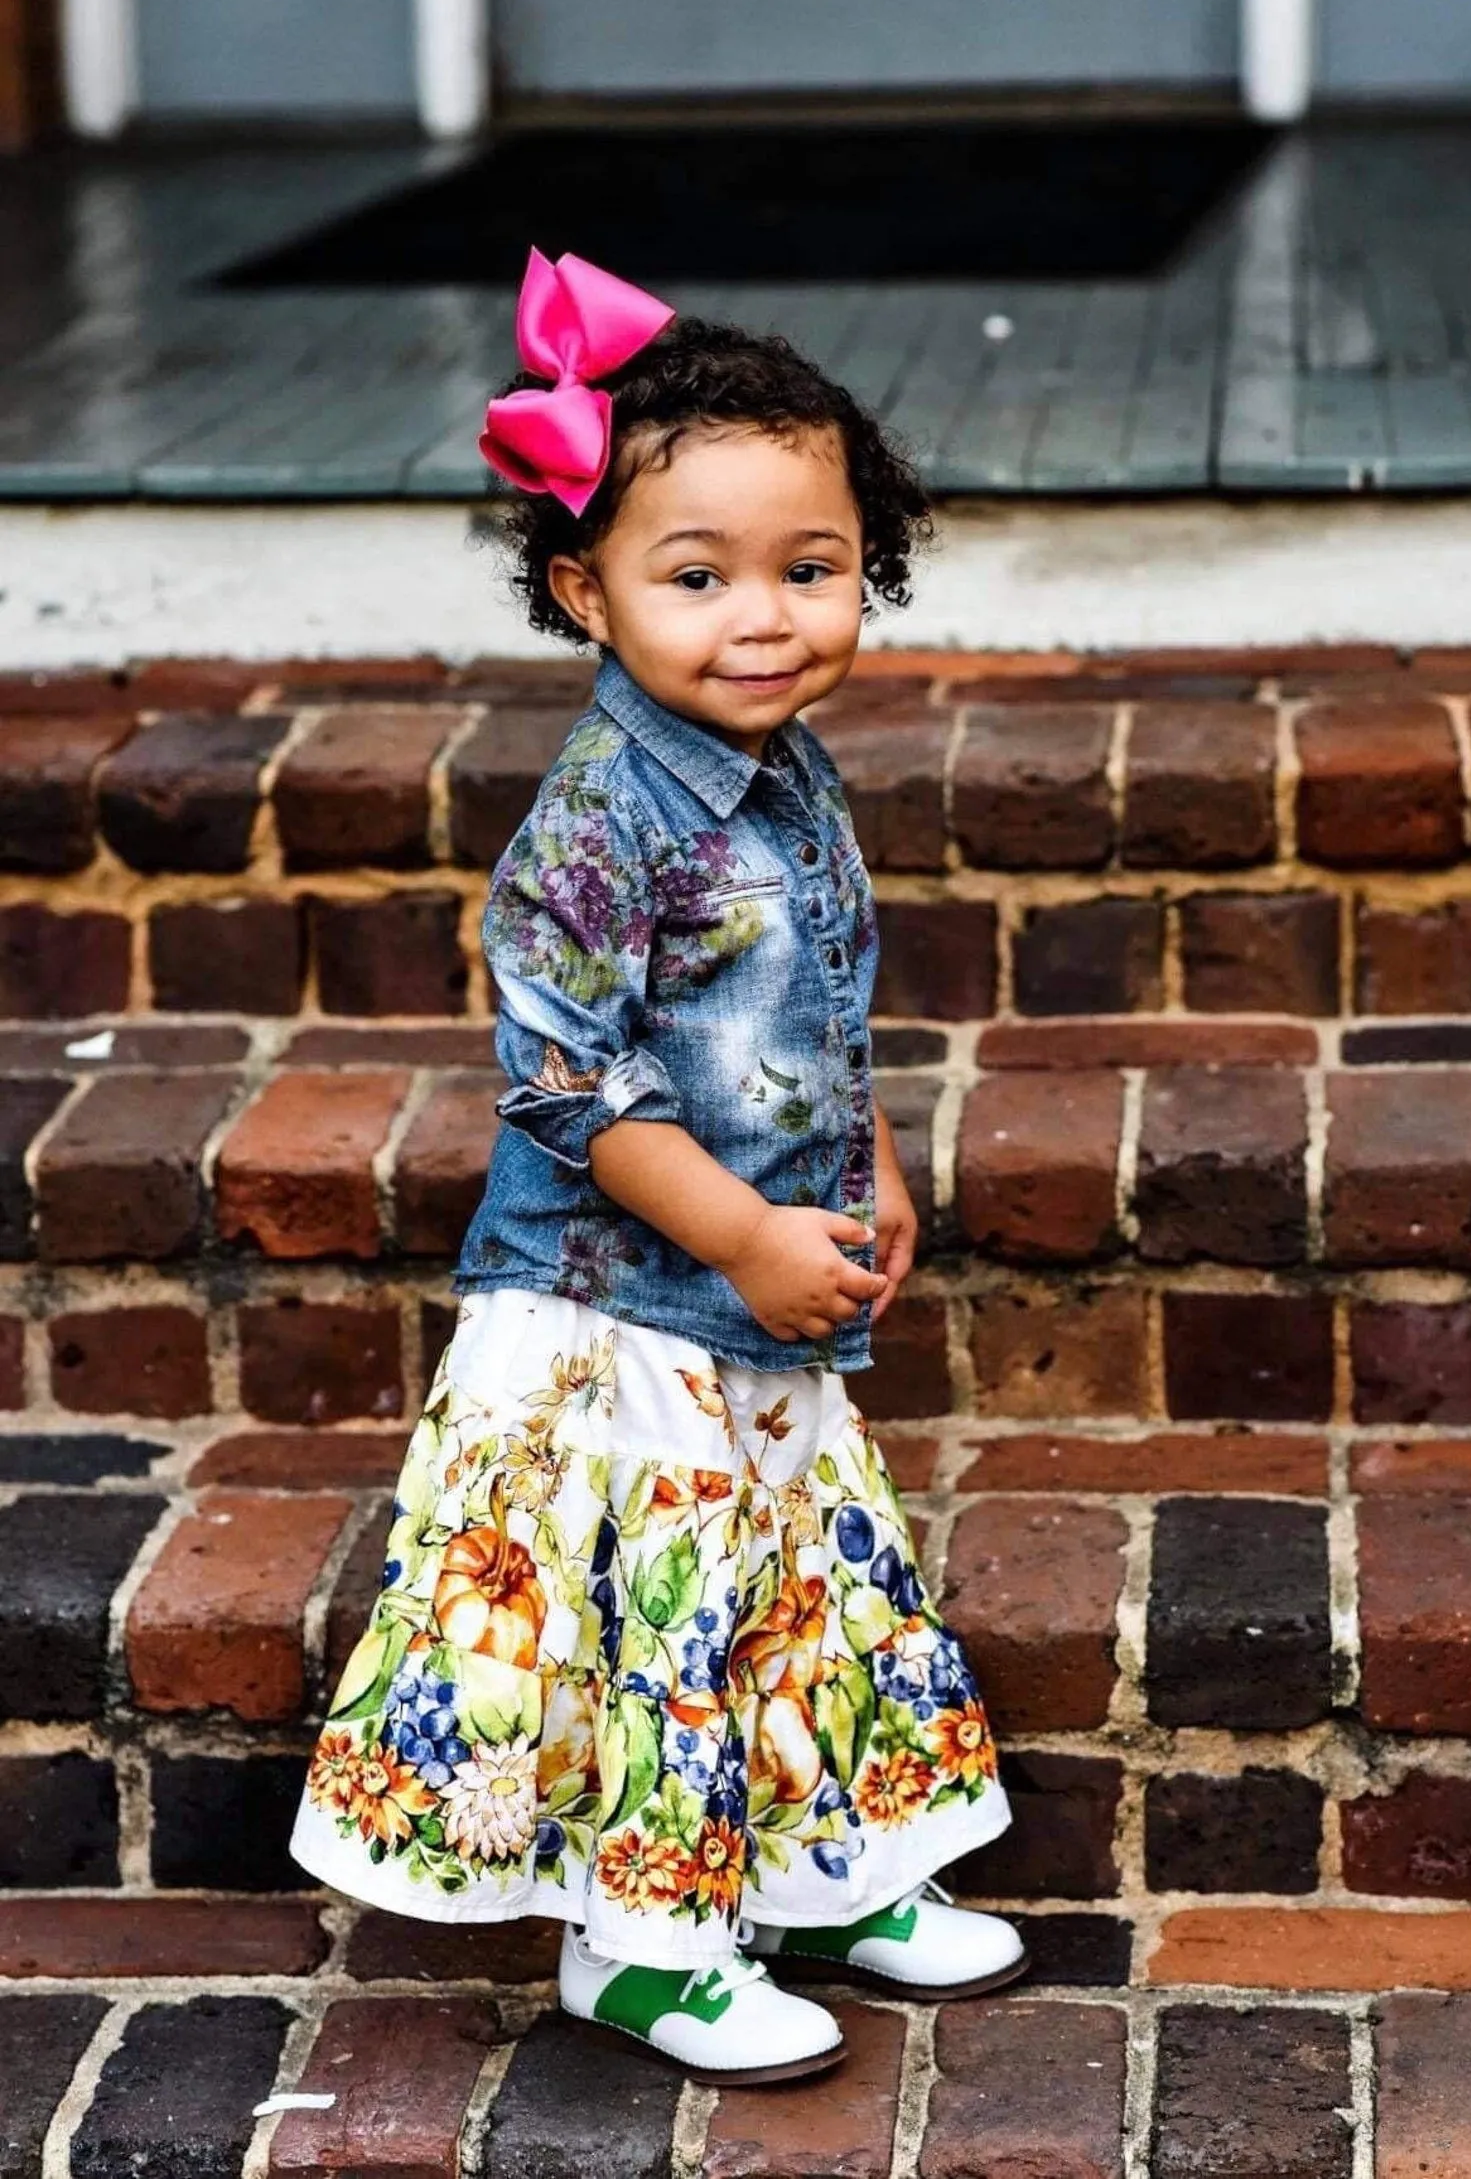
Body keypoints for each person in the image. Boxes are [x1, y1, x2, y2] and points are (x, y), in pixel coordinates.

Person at [289, 250, 1021, 2083]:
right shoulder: (597, 827)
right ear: (584, 590)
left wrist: (867, 1156)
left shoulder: (789, 774)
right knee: (666, 1618)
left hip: (759, 1279)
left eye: (812, 567)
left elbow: (817, 996)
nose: (762, 617)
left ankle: (832, 1864)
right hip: (622, 1310)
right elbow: (571, 1087)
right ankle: (648, 1941)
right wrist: (747, 1232)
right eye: (694, 577)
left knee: (798, 1580)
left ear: (874, 563)